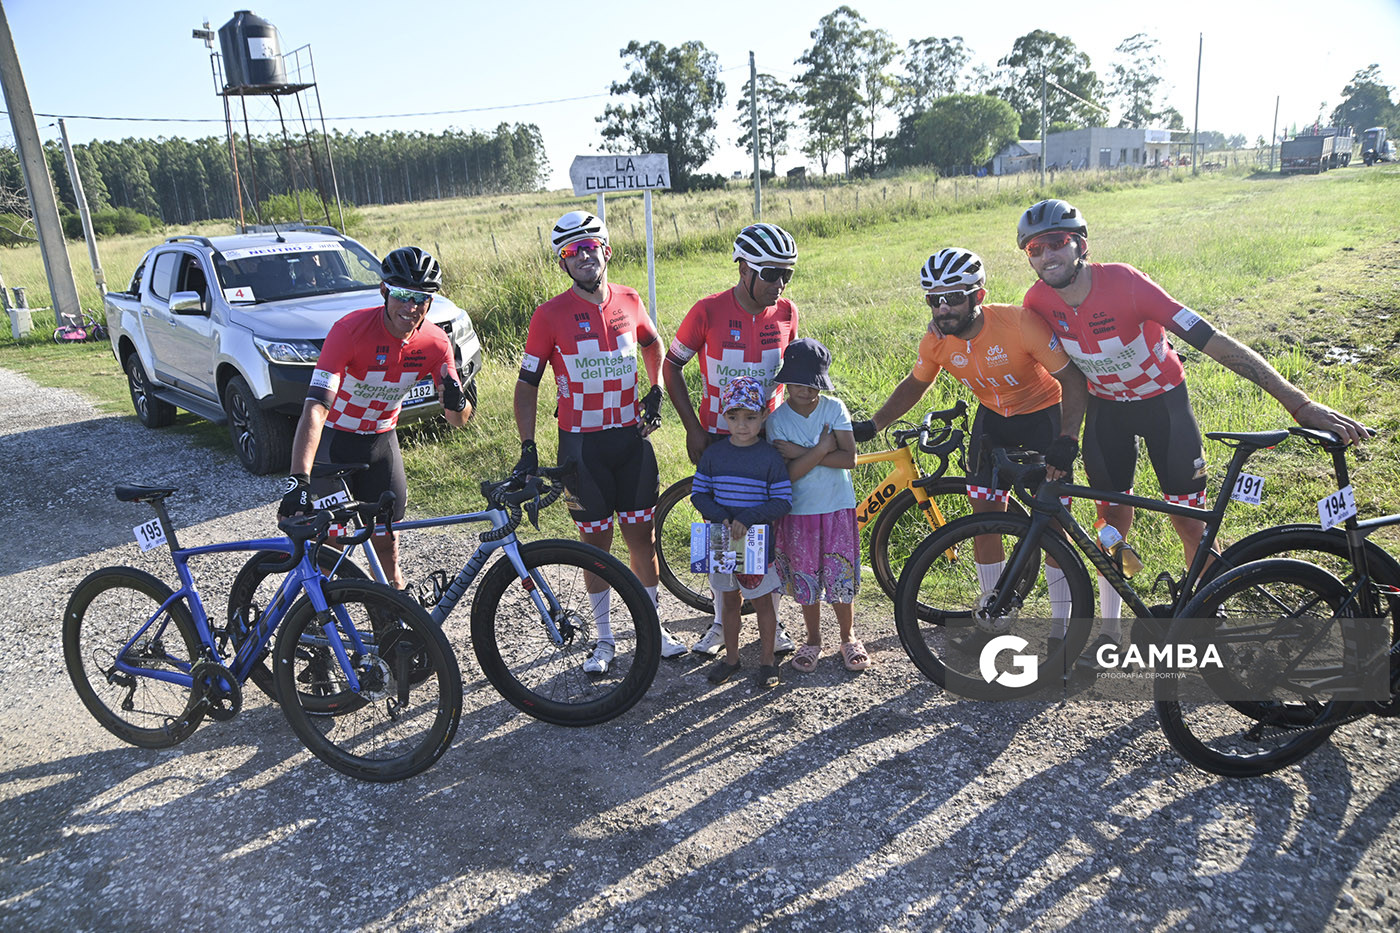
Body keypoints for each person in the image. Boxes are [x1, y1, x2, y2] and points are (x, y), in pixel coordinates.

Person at [1017, 197, 1369, 663]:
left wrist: (1297, 402)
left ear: (1080, 244)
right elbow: (1069, 377)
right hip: (1107, 413)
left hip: (1163, 406)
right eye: (1035, 249)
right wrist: (1063, 438)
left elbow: (1213, 340)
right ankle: (1110, 629)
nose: (1047, 256)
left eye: (1057, 243)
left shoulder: (1125, 283)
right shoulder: (1037, 302)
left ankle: (1207, 629)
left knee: (1188, 522)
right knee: (1110, 524)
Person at [850, 248, 1086, 627]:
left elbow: (1072, 380)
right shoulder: (937, 341)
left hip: (1043, 418)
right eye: (934, 300)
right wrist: (874, 424)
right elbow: (916, 384)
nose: (943, 309)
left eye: (954, 298)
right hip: (993, 421)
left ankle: (1062, 623)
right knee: (984, 520)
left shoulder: (1020, 324)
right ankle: (992, 612)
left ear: (979, 295)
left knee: (1055, 527)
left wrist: (1068, 438)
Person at [513, 210, 687, 667]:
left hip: (630, 442)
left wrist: (655, 391)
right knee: (596, 545)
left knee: (641, 539)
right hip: (581, 447)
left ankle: (651, 628)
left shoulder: (629, 299)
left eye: (591, 247)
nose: (584, 256)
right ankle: (605, 639)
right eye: (572, 252)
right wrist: (528, 446)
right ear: (562, 263)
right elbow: (527, 384)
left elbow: (653, 345)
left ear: (606, 251)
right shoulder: (548, 315)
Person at [279, 246, 473, 590]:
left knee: (386, 540)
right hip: (333, 443)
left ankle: (392, 616)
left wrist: (456, 404)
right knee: (333, 544)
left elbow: (457, 421)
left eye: (420, 298)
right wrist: (299, 480)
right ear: (384, 290)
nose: (410, 307)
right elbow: (316, 407)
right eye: (401, 294)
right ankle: (315, 619)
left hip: (381, 442)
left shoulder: (435, 342)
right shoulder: (349, 331)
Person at [663, 222, 802, 658]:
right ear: (744, 268)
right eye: (771, 273)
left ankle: (772, 624)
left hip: (768, 440)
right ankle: (723, 626)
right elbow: (671, 368)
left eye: (787, 274)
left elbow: (792, 374)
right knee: (722, 529)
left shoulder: (787, 313)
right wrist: (692, 427)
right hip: (719, 441)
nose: (779, 284)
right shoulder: (706, 311)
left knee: (767, 532)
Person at [765, 338, 868, 673]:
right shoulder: (776, 421)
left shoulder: (834, 408)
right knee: (806, 578)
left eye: (813, 386)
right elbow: (790, 474)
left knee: (839, 576)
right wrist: (825, 448)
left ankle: (848, 635)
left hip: (837, 507)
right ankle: (812, 639)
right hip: (798, 512)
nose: (806, 392)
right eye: (798, 385)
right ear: (786, 383)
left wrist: (804, 452)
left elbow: (850, 458)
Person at [691, 376, 792, 689]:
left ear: (763, 416)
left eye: (750, 417)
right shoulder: (714, 455)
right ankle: (731, 659)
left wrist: (748, 518)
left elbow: (783, 501)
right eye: (734, 418)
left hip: (756, 543)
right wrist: (721, 517)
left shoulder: (770, 457)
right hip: (721, 539)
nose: (742, 425)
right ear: (725, 417)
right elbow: (699, 494)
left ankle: (767, 662)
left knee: (763, 602)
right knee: (728, 601)